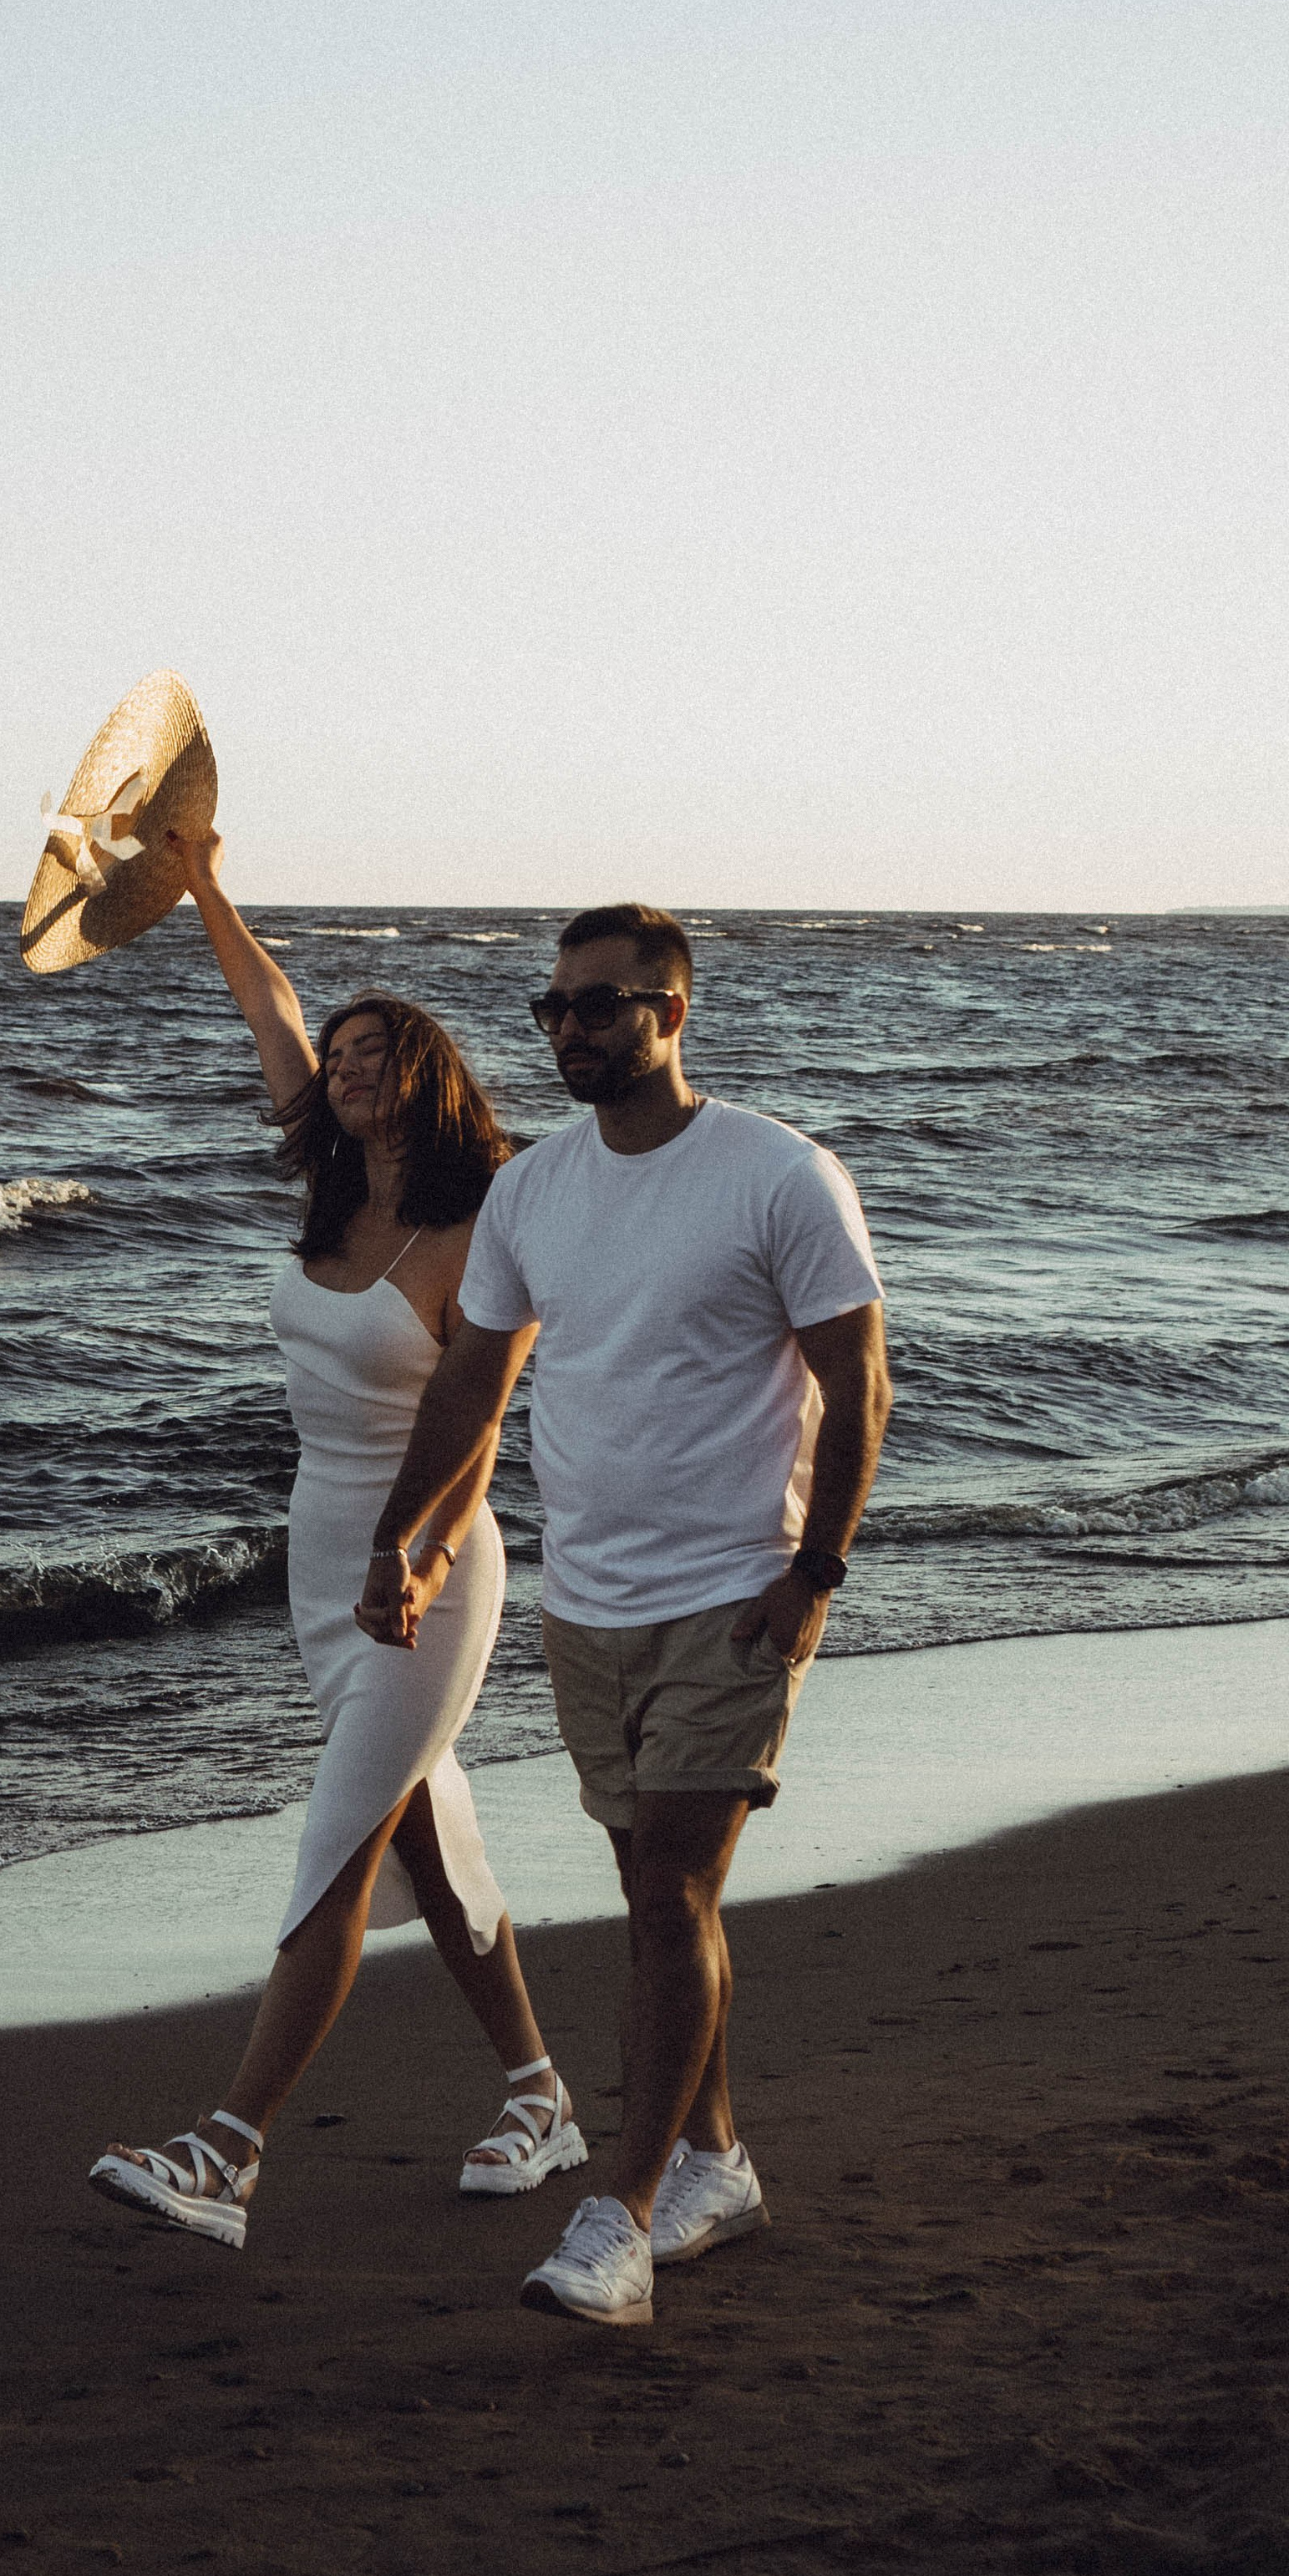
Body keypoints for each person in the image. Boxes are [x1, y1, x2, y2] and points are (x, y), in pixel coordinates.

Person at [365, 903, 891, 2327]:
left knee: (669, 1895)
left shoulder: (780, 1176)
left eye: (597, 1007)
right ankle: (716, 2158)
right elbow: (474, 1381)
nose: (569, 1031)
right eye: (553, 1010)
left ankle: (626, 2215)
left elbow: (860, 1388)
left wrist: (813, 1577)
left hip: (732, 1596)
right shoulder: (534, 1191)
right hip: (584, 1601)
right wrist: (406, 1538)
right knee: (658, 1895)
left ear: (671, 1011)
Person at [89, 830, 585, 2247]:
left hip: (427, 1571)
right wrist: (198, 887)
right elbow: (270, 1010)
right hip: (322, 1558)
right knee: (428, 1834)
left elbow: (481, 1413)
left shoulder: (479, 1223)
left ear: (420, 1076)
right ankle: (542, 2096)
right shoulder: (330, 1182)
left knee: (341, 1839)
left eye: (377, 1053)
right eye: (344, 1051)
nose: (348, 1066)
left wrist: (419, 1549)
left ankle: (229, 2154)